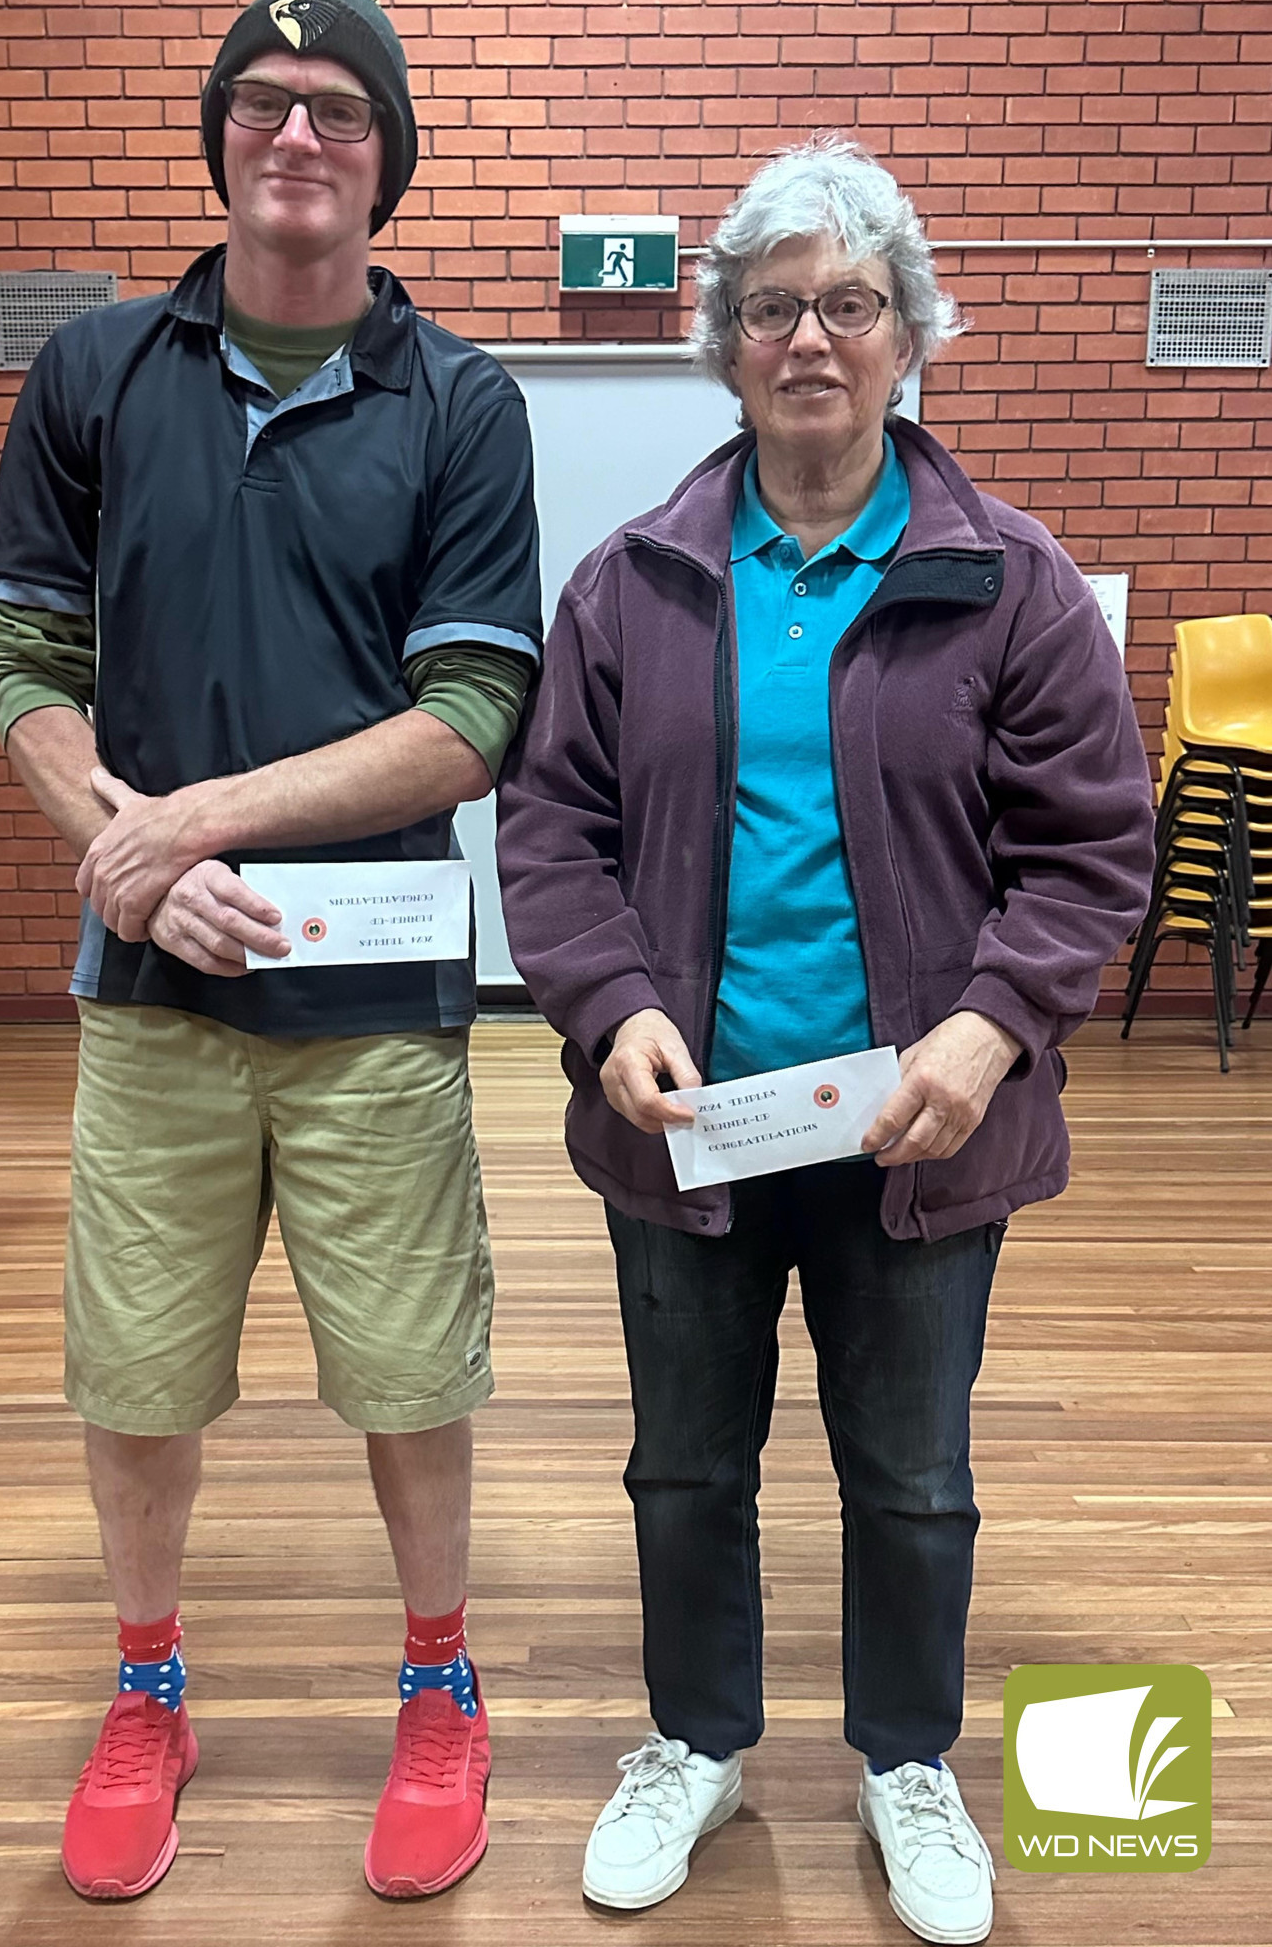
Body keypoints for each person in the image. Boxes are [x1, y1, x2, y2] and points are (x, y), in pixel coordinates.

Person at [497, 139, 1155, 1943]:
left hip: (914, 1127)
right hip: (688, 1122)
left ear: (905, 338)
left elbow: (1095, 847)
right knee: (684, 1462)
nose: (810, 337)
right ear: (723, 344)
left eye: (848, 305)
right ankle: (694, 1742)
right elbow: (552, 829)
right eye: (774, 305)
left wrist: (990, 1029)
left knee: (910, 1471)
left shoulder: (1004, 578)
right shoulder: (632, 582)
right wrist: (610, 1007)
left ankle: (904, 1763)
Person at [0, 0, 541, 1905]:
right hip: (148, 996)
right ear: (218, 139)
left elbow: (469, 717)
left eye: (340, 110)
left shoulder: (460, 403)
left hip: (371, 989)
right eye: (263, 101)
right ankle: (148, 1685)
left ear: (386, 165)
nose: (297, 133)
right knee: (131, 1369)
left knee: (409, 1368)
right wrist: (120, 846)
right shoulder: (89, 378)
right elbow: (25, 665)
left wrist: (182, 822)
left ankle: (438, 1676)